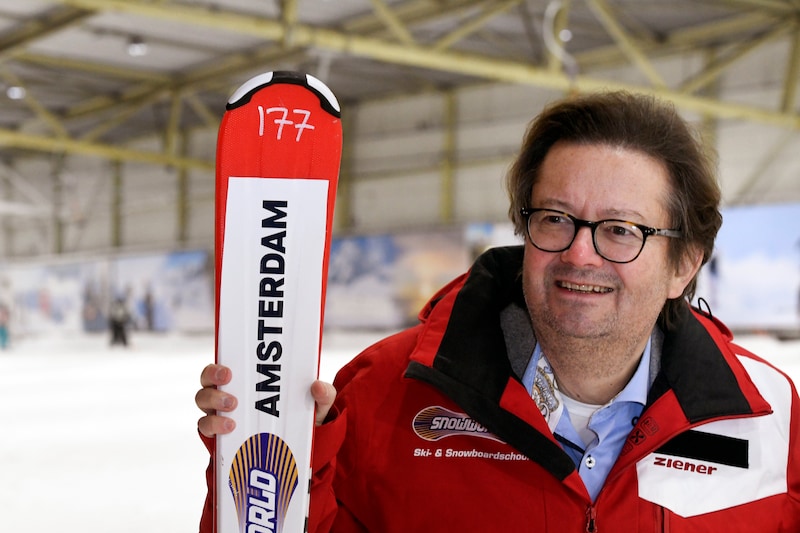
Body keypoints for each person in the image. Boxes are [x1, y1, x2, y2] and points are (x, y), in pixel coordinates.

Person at [196, 91, 800, 531]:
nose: (580, 253)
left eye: (621, 230)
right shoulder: (385, 391)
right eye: (555, 219)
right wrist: (266, 466)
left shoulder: (768, 417)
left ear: (684, 264)